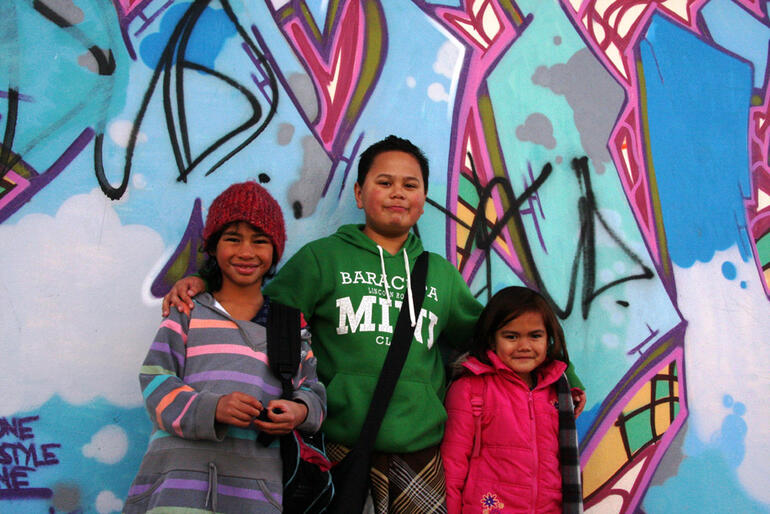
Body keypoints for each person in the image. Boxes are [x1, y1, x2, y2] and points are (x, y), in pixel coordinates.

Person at [162, 135, 584, 513]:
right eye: (384, 183)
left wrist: (562, 377)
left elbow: (497, 337)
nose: (397, 193)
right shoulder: (322, 259)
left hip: (420, 450)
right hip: (338, 446)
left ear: (422, 198)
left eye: (410, 184)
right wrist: (205, 284)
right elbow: (257, 307)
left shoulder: (438, 274)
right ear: (361, 194)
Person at [125, 181, 326, 513]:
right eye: (232, 239)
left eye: (260, 241)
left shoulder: (290, 325)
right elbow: (155, 381)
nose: (246, 252)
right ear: (213, 247)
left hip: (254, 491)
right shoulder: (187, 311)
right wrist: (212, 409)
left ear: (275, 250)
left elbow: (313, 390)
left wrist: (299, 411)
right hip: (175, 488)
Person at [441, 286, 583, 514]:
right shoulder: (470, 389)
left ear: (549, 339)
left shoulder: (557, 394)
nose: (524, 346)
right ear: (492, 339)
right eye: (511, 336)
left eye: (535, 336)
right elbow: (452, 467)